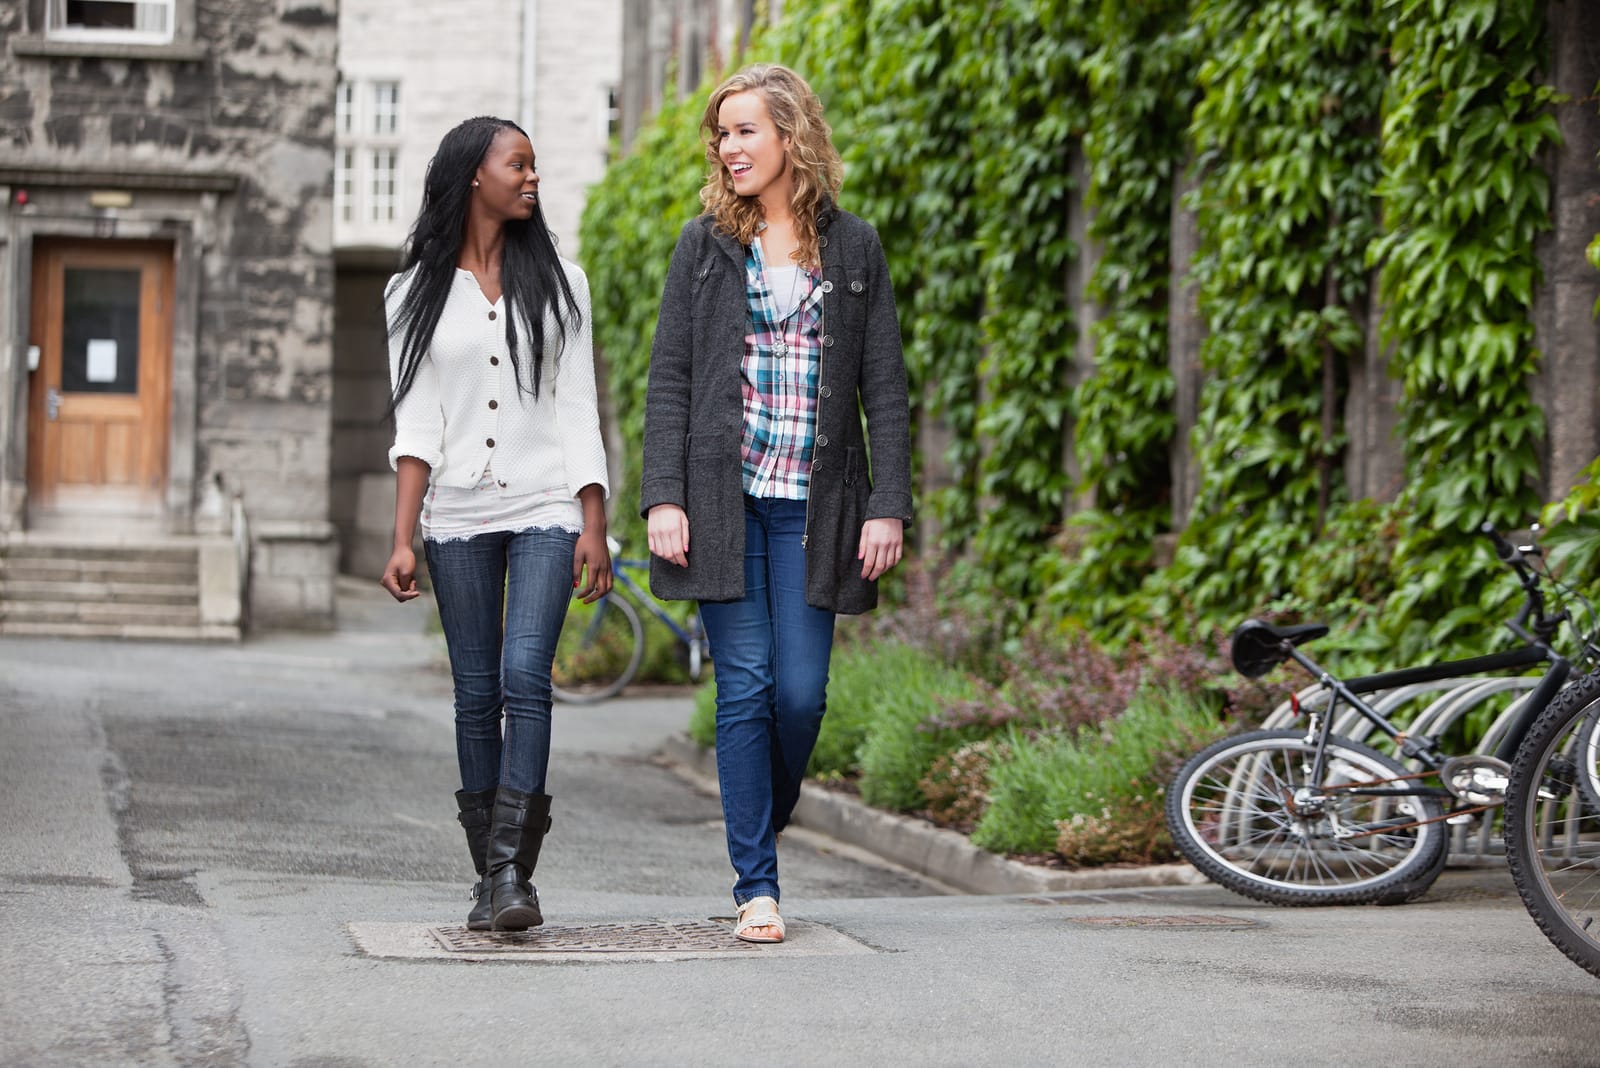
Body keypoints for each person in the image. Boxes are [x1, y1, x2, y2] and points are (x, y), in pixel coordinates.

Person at [641, 64, 913, 944]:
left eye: (744, 130)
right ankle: (757, 885)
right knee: (746, 688)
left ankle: (765, 806)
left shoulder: (856, 247)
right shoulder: (703, 246)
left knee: (800, 699)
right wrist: (664, 496)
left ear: (789, 136)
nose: (728, 148)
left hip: (815, 507)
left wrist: (888, 504)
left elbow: (886, 388)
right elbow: (671, 381)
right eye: (721, 134)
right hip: (725, 504)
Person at [379, 115, 611, 933]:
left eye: (535, 164)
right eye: (519, 163)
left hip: (546, 501)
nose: (532, 176)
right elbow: (415, 425)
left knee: (525, 675)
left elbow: (579, 405)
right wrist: (403, 536)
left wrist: (594, 519)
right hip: (457, 512)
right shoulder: (410, 292)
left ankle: (513, 873)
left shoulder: (564, 283)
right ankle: (493, 881)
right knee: (475, 694)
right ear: (475, 174)